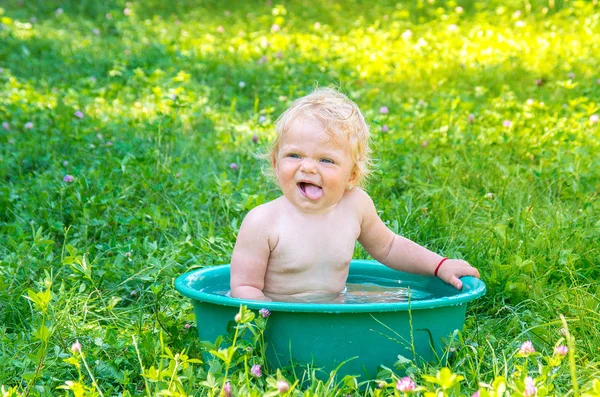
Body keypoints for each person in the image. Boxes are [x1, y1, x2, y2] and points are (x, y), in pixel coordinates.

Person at [230, 88, 480, 302]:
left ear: (351, 175)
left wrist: (439, 265)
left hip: (338, 308)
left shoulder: (355, 206)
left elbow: (389, 246)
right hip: (282, 318)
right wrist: (269, 321)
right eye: (294, 155)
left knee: (393, 300)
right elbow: (244, 288)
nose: (307, 167)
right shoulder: (263, 222)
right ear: (275, 162)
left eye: (326, 160)